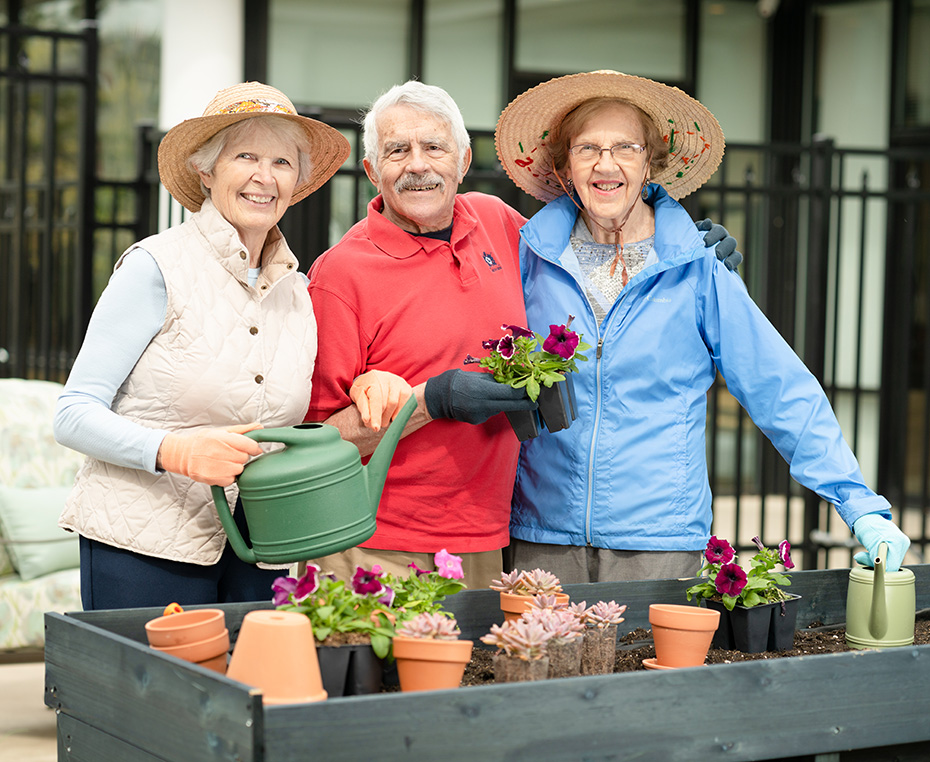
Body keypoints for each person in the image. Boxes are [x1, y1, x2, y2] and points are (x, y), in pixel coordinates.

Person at [305, 80, 739, 590]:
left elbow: (591, 239)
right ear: (373, 170)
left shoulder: (498, 225)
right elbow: (316, 446)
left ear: (464, 160)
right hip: (377, 543)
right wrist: (430, 401)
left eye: (434, 147)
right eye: (397, 150)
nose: (417, 164)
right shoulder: (340, 275)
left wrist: (686, 243)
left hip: (490, 540)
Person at [493, 70, 911, 583]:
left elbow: (778, 386)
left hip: (657, 543)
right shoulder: (529, 257)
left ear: (651, 163)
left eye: (626, 147)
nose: (606, 164)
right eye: (587, 149)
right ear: (565, 166)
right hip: (542, 536)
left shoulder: (699, 267)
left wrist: (859, 505)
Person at [54, 82, 410, 610]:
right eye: (245, 156)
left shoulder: (298, 291)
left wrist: (367, 380)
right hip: (143, 545)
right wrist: (173, 450)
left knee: (245, 691)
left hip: (260, 545)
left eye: (283, 162)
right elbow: (72, 414)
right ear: (206, 169)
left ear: (297, 180)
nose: (264, 177)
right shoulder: (157, 268)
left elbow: (304, 414)